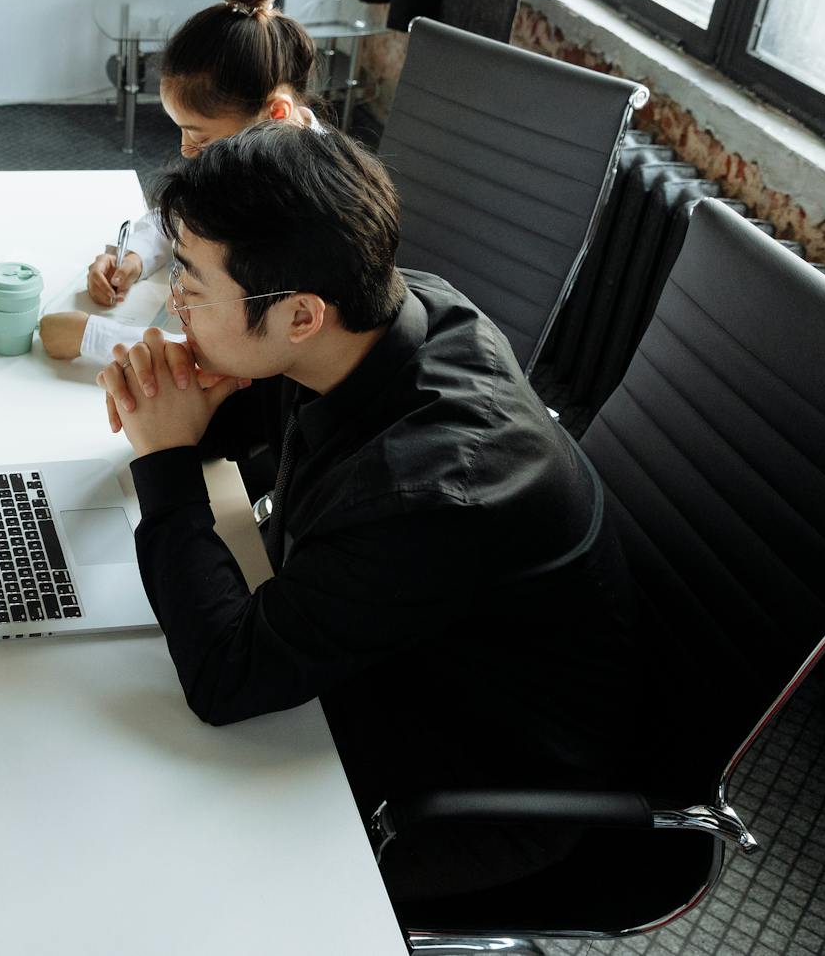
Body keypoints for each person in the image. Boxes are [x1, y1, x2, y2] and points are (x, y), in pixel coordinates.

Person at [94, 122, 635, 905]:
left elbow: (225, 677)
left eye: (191, 286)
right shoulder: (399, 310)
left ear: (301, 316)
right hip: (409, 656)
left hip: (466, 775)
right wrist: (187, 402)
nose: (175, 304)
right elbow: (268, 411)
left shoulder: (426, 492)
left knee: (148, 854)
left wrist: (164, 459)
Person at [41, 0, 317, 362]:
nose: (188, 152)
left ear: (275, 114)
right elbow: (184, 219)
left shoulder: (301, 210)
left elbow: (244, 359)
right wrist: (135, 254)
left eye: (200, 137)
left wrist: (94, 338)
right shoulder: (258, 155)